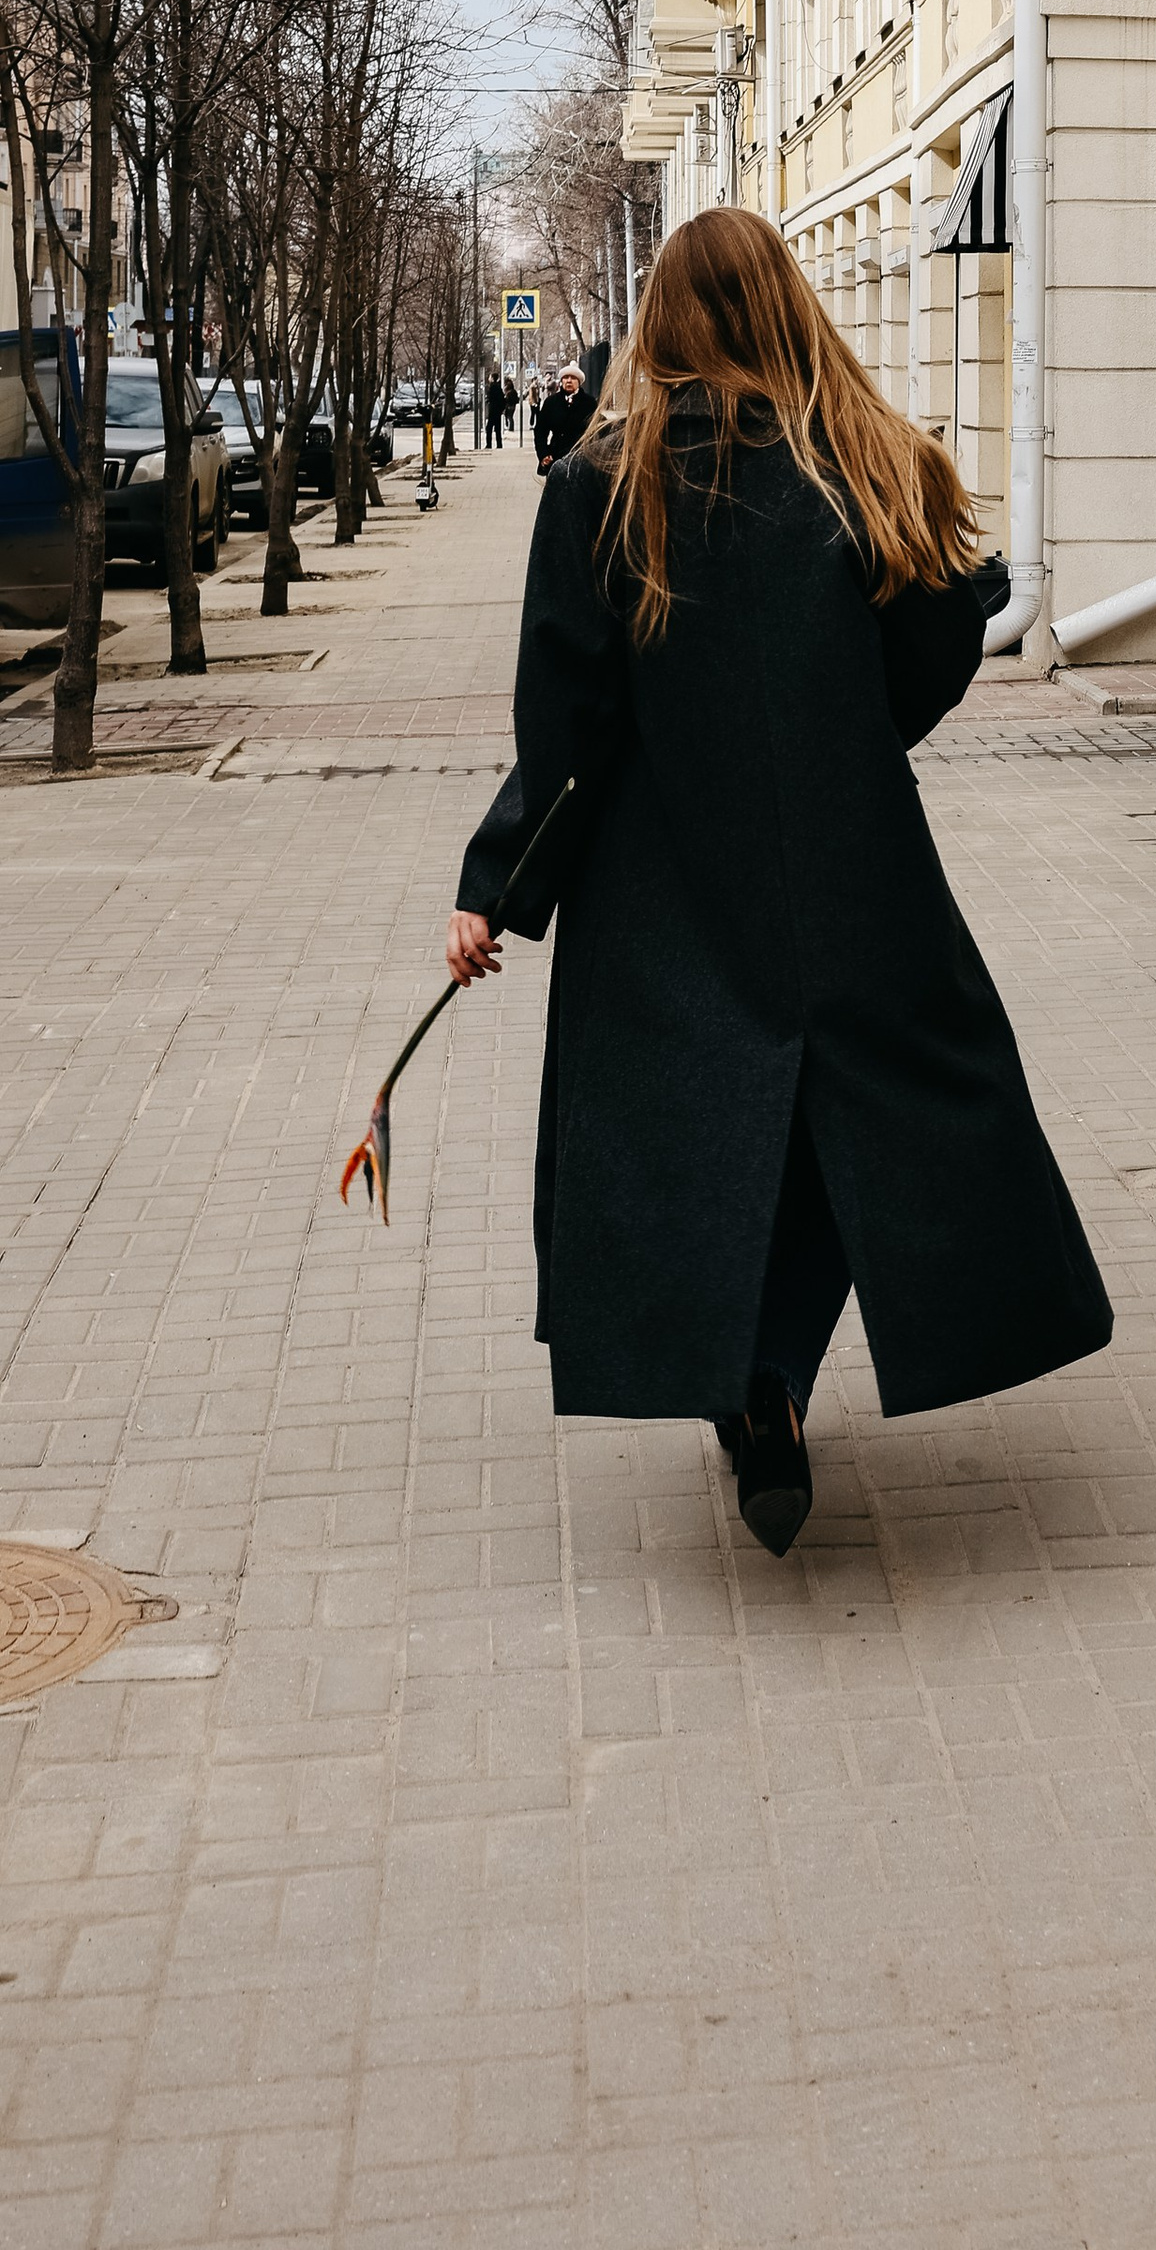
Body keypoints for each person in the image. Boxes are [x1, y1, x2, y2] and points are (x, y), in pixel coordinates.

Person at [444, 208, 1111, 1555]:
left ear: (661, 326)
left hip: (662, 883)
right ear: (785, 304)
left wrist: (499, 885)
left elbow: (568, 730)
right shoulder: (867, 462)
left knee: (695, 1130)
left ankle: (749, 1382)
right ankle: (772, 1379)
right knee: (865, 1119)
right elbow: (943, 641)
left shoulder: (604, 485)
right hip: (853, 869)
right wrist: (846, 748)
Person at [531, 359, 592, 471]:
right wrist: (544, 454)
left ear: (579, 382)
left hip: (581, 458)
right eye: (565, 378)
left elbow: (596, 430)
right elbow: (540, 430)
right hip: (557, 457)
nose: (569, 381)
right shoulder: (551, 402)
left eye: (573, 378)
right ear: (561, 381)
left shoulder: (589, 403)